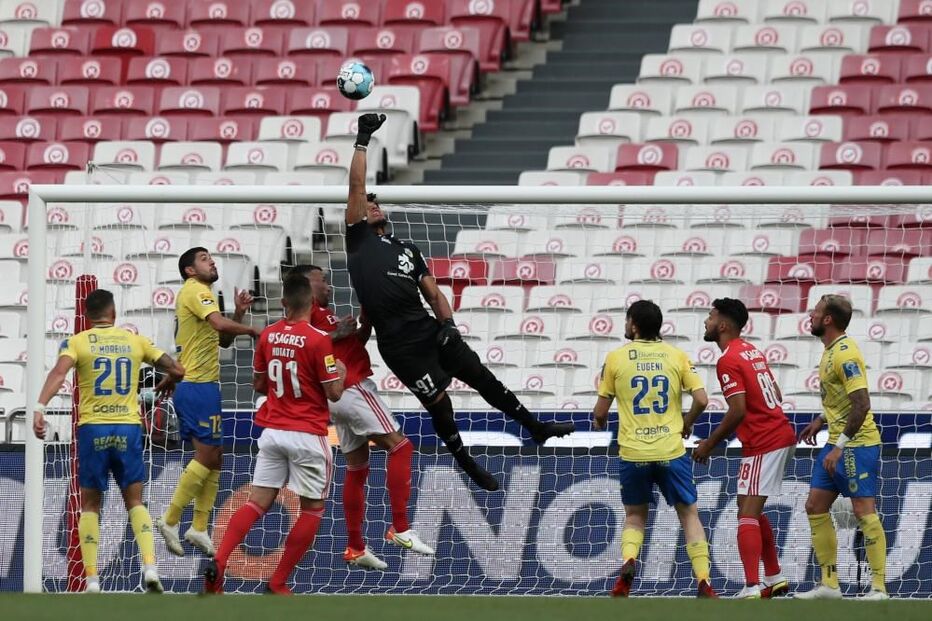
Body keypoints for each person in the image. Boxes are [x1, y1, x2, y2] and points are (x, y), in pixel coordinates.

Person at [344, 113, 574, 491]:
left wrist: (448, 324)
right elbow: (356, 186)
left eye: (374, 201)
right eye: (366, 202)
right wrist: (363, 139)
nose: (371, 203)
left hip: (427, 328)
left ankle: (537, 428)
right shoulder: (358, 241)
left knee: (482, 376)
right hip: (400, 346)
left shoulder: (407, 249)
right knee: (440, 405)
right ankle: (466, 463)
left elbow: (433, 293)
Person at [32, 289, 185, 593]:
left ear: (87, 317)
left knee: (90, 504)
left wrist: (40, 408)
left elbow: (59, 373)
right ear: (114, 314)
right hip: (128, 428)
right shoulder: (134, 340)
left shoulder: (76, 342)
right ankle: (151, 568)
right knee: (135, 501)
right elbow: (178, 369)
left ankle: (91, 580)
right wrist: (168, 380)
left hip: (93, 430)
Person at [204, 273, 347, 594]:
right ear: (311, 303)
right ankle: (278, 580)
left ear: (283, 302)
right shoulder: (319, 339)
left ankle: (220, 564)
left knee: (257, 503)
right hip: (308, 435)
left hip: (272, 432)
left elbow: (257, 385)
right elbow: (334, 393)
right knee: (312, 509)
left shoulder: (268, 335)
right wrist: (341, 372)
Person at [290, 264, 433, 569]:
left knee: (356, 468)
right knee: (401, 447)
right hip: (352, 387)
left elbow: (352, 343)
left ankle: (355, 546)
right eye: (322, 281)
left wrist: (363, 320)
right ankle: (401, 527)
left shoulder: (322, 317)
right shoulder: (307, 314)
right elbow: (306, 344)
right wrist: (336, 332)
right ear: (306, 285)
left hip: (339, 396)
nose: (329, 286)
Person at [592, 300, 717, 599]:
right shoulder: (676, 356)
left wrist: (600, 421)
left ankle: (629, 561)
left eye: (626, 321)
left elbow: (600, 411)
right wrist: (686, 423)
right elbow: (701, 399)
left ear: (634, 325)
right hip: (670, 450)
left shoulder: (615, 358)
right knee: (688, 514)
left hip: (633, 452)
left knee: (635, 516)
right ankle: (703, 580)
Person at [157, 247, 261, 558]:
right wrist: (255, 329)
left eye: (211, 258)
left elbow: (222, 339)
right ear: (189, 270)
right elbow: (219, 326)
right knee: (206, 455)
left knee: (216, 458)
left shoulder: (204, 296)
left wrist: (240, 315)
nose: (212, 261)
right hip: (196, 386)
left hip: (204, 385)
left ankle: (199, 526)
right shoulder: (195, 291)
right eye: (204, 259)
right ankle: (170, 519)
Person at [695, 298, 794, 599]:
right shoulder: (751, 350)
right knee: (748, 507)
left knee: (746, 514)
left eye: (710, 317)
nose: (706, 322)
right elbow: (774, 391)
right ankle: (774, 576)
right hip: (777, 432)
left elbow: (737, 410)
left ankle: (752, 585)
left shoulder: (727, 360)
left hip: (764, 440)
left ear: (723, 325)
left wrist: (710, 444)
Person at [795, 295, 888, 600]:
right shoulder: (830, 350)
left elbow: (862, 405)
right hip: (836, 440)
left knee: (863, 510)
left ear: (828, 320)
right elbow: (842, 397)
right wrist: (822, 419)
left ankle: (878, 587)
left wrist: (840, 447)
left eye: (816, 311)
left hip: (857, 444)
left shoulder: (846, 354)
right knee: (814, 506)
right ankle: (830, 585)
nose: (811, 314)